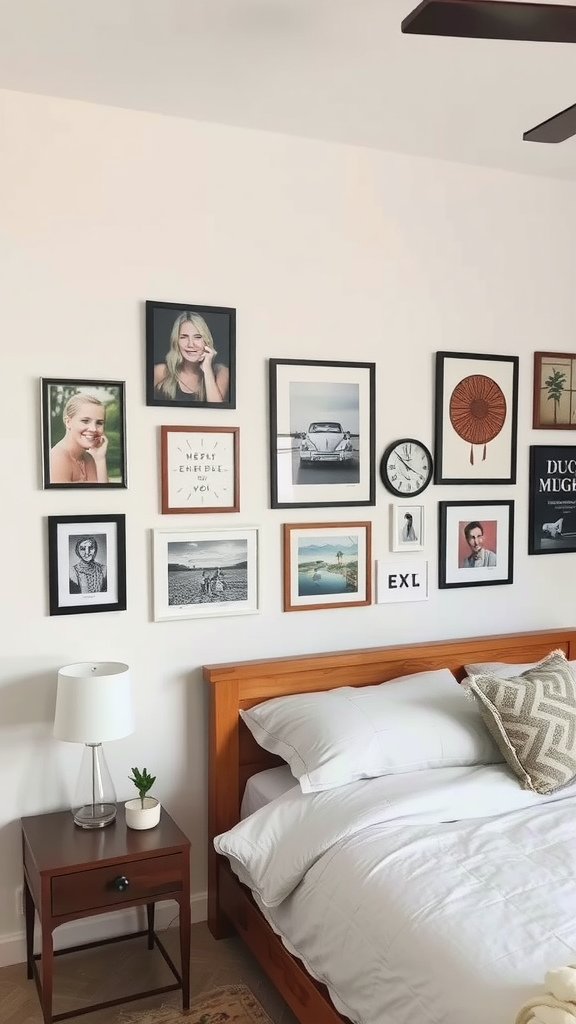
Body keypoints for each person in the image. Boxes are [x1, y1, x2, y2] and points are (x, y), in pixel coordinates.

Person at [153, 311, 229, 403]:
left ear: (206, 341)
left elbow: (217, 411)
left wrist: (207, 369)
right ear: (176, 342)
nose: (191, 344)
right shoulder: (161, 372)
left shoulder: (221, 372)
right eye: (184, 337)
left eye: (197, 337)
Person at [50, 393, 109, 483]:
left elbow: (103, 495)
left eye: (99, 423)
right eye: (85, 421)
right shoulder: (57, 457)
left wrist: (100, 458)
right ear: (68, 422)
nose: (93, 429)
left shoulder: (88, 458)